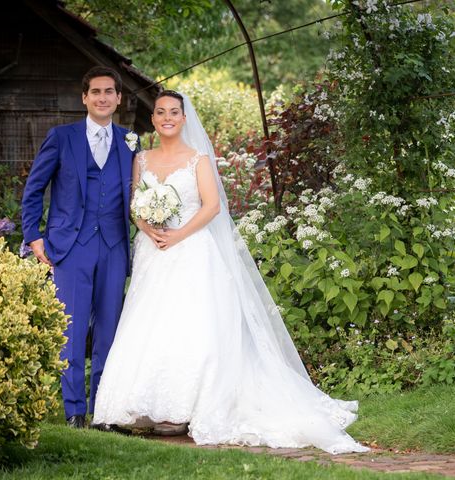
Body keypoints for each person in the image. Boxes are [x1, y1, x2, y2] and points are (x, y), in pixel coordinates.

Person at [92, 91, 369, 454]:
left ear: (184, 118)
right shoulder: (141, 159)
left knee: (193, 325)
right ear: (154, 120)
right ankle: (143, 407)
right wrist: (147, 226)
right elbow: (134, 203)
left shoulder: (198, 160)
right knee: (151, 322)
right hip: (154, 252)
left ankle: (187, 408)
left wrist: (178, 233)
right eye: (160, 113)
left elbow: (211, 207)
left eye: (174, 112)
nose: (167, 118)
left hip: (191, 250)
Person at [21, 66, 137, 430]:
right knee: (70, 332)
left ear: (119, 98)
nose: (102, 97)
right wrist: (33, 236)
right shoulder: (62, 137)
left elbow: (143, 194)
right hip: (70, 247)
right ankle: (74, 411)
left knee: (109, 331)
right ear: (84, 97)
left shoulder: (130, 141)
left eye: (109, 92)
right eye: (95, 92)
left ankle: (102, 410)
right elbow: (34, 189)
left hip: (115, 245)